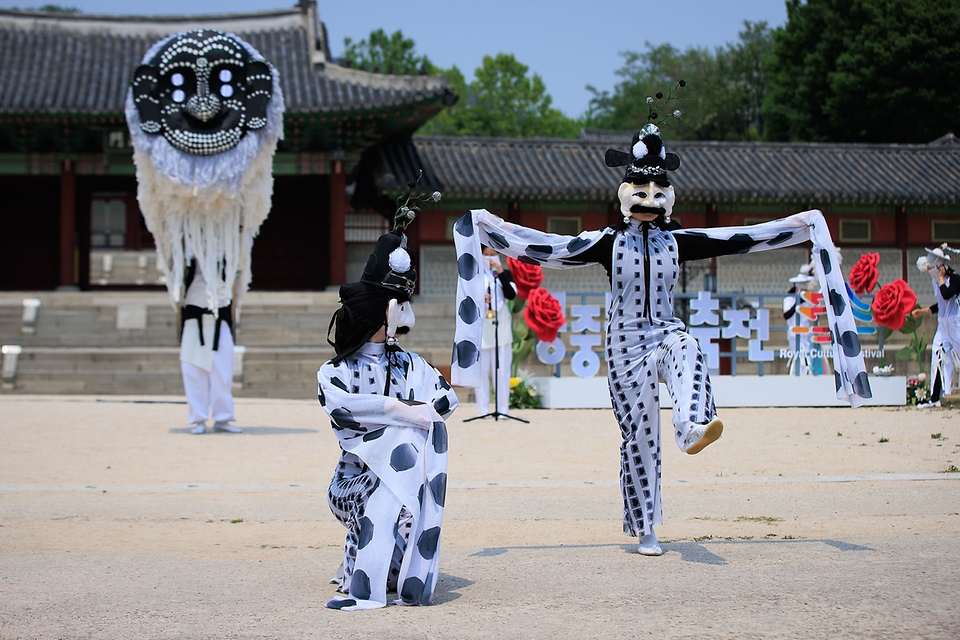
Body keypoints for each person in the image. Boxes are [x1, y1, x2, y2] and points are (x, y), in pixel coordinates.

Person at [451, 123, 870, 557]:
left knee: (687, 345)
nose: (647, 198)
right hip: (625, 344)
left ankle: (690, 426)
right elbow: (549, 246)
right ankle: (646, 527)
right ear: (625, 191)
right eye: (639, 187)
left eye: (656, 188)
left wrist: (800, 226)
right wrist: (490, 227)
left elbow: (740, 238)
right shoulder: (606, 242)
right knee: (640, 436)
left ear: (667, 196)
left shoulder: (678, 241)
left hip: (666, 330)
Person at [319, 231, 459, 610]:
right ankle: (358, 580)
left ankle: (400, 573)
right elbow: (341, 408)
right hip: (352, 481)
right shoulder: (336, 371)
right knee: (382, 489)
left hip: (408, 477)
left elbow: (447, 398)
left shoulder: (411, 364)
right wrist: (400, 412)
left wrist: (419, 414)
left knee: (411, 503)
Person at [180, 260, 239, 434]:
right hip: (194, 320)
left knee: (222, 374)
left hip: (219, 322)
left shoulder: (227, 253)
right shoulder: (188, 257)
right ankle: (198, 418)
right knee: (193, 372)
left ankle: (223, 418)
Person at [911, 246, 960, 407]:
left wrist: (940, 278)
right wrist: (923, 311)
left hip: (955, 323)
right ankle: (935, 398)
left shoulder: (954, 280)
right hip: (943, 324)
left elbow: (946, 295)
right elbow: (940, 305)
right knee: (937, 356)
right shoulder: (936, 282)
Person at [477, 245, 517, 416]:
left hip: (501, 328)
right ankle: (483, 409)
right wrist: (480, 298)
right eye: (487, 255)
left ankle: (502, 409)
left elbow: (511, 294)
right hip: (482, 328)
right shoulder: (476, 276)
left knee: (501, 371)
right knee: (483, 371)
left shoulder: (506, 274)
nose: (490, 259)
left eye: (494, 255)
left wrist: (500, 273)